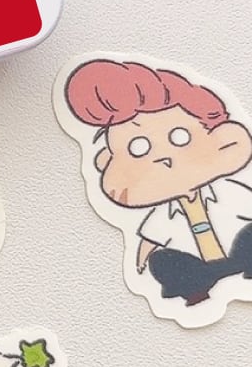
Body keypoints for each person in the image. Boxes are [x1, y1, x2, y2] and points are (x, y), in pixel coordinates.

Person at [65, 59, 252, 306]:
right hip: (201, 270)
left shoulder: (229, 192)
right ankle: (196, 288)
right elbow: (151, 238)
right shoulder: (163, 216)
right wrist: (142, 259)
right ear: (107, 161)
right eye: (138, 148)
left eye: (180, 136)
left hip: (240, 257)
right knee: (162, 260)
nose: (164, 157)